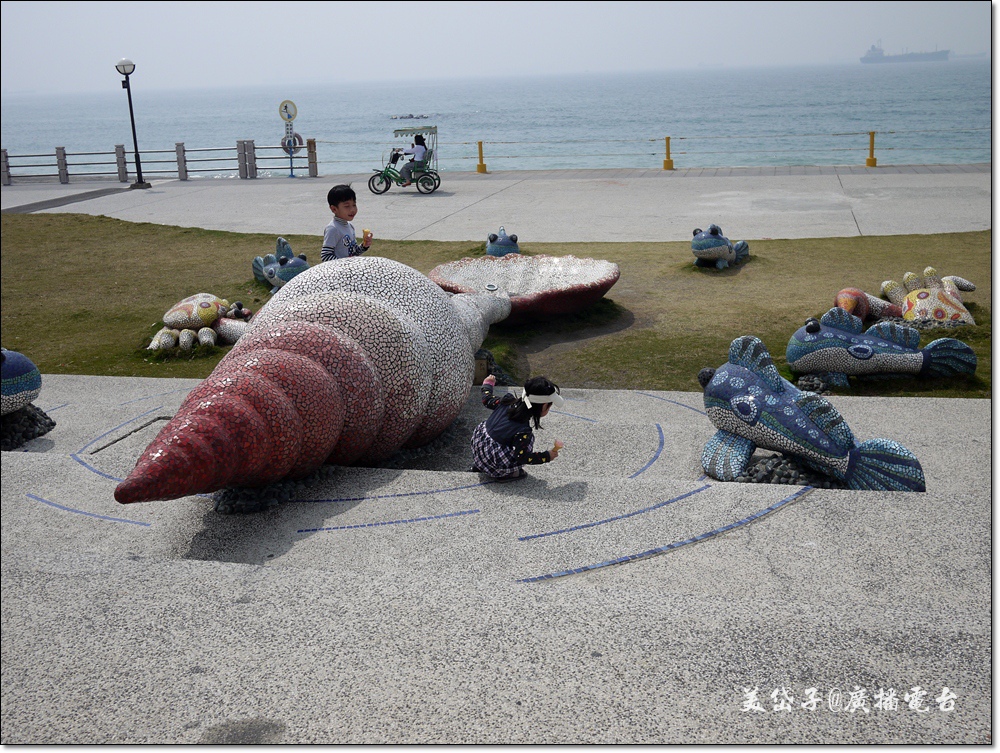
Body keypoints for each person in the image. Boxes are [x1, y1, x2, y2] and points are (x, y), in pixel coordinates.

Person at [471, 374, 564, 480]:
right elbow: (522, 457)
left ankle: (481, 464)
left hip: (480, 448)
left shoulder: (506, 401)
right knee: (527, 442)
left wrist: (488, 385)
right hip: (495, 460)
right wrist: (546, 456)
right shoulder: (523, 430)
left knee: (495, 435)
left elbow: (486, 399)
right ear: (544, 406)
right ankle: (507, 473)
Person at [321, 184, 373, 262]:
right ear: (334, 209)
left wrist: (364, 246)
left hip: (348, 271)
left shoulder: (350, 226)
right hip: (338, 273)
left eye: (354, 205)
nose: (352, 209)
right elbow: (325, 256)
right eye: (347, 206)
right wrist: (345, 264)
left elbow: (353, 254)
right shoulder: (333, 229)